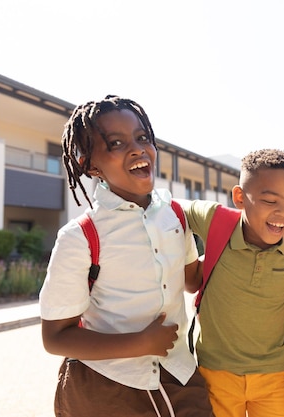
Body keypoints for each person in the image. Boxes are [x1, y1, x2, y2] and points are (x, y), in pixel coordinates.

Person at [39, 95, 213, 417]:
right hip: (108, 388)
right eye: (116, 143)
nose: (137, 148)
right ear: (91, 165)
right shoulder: (80, 237)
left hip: (179, 374)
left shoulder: (175, 215)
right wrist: (140, 343)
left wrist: (247, 246)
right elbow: (54, 337)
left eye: (142, 137)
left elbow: (192, 280)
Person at [178, 149, 284, 417]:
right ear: (240, 197)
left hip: (274, 376)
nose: (283, 213)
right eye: (270, 200)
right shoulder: (215, 220)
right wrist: (190, 267)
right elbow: (166, 208)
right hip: (215, 374)